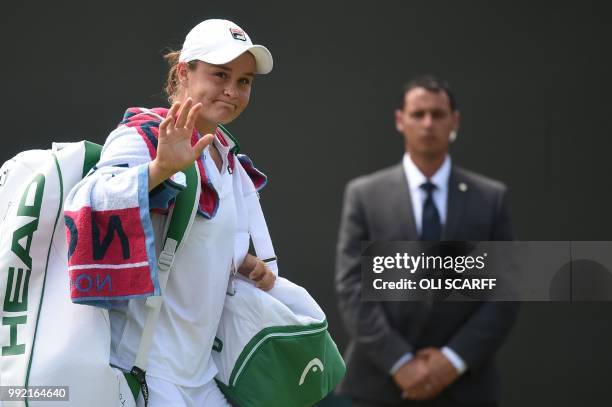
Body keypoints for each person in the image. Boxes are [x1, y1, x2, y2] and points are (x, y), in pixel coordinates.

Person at [65, 19, 276, 406]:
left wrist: (242, 262)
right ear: (184, 72)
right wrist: (159, 169)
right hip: (145, 373)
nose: (232, 90)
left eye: (244, 81)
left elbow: (197, 244)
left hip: (204, 377)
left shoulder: (230, 158)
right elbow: (88, 200)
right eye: (220, 74)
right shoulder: (144, 133)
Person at [335, 75, 519, 407]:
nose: (428, 123)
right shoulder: (365, 195)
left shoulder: (490, 198)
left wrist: (452, 360)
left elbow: (504, 293)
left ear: (454, 121)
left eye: (438, 114)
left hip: (465, 386)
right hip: (377, 384)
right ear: (400, 120)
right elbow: (351, 287)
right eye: (418, 114)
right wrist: (400, 362)